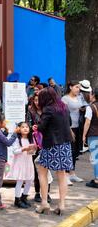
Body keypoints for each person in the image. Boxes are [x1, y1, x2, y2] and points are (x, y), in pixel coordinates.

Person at [34, 87, 73, 215]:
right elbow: (70, 123)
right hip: (65, 144)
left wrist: (36, 127)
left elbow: (42, 127)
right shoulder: (64, 107)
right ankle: (61, 204)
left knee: (42, 171)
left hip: (51, 145)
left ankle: (44, 202)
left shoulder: (48, 109)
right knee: (62, 175)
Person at [8, 122, 37, 209]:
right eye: (23, 127)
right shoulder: (17, 139)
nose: (25, 129)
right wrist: (24, 149)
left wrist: (33, 149)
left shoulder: (31, 139)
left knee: (29, 180)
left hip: (28, 162)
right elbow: (15, 151)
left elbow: (32, 152)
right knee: (20, 181)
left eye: (27, 127)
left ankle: (24, 197)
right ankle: (17, 200)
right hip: (20, 162)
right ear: (19, 129)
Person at [62, 81, 84, 184]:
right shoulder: (65, 99)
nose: (78, 89)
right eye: (76, 87)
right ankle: (65, 175)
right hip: (68, 128)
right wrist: (69, 128)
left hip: (78, 127)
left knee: (75, 151)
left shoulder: (80, 97)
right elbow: (63, 115)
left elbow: (83, 107)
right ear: (70, 87)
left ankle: (72, 173)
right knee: (68, 151)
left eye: (79, 88)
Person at [83, 87, 98, 188]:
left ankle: (97, 179)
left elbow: (87, 122)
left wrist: (84, 135)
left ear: (93, 95)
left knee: (95, 157)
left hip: (93, 135)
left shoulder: (90, 107)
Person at [79, 79, 92, 153]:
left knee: (81, 128)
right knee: (87, 127)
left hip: (82, 112)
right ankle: (86, 144)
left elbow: (79, 105)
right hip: (88, 110)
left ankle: (82, 145)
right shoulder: (90, 92)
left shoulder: (80, 94)